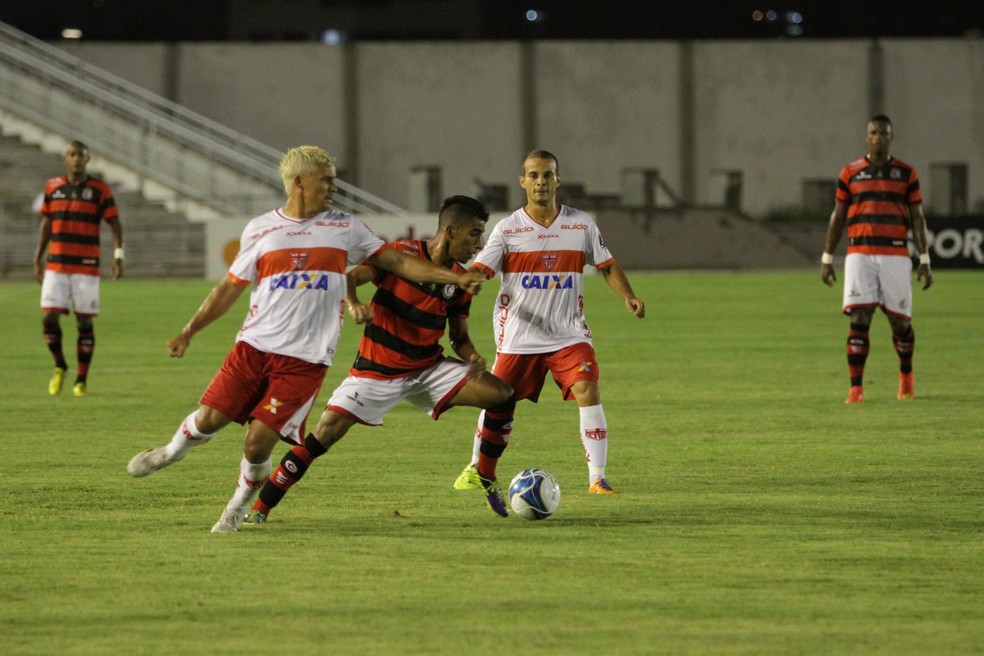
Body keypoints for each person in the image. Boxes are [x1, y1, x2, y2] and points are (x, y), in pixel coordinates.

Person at [126, 146, 484, 533]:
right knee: (209, 421)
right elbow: (229, 288)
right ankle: (170, 452)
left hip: (305, 360)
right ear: (299, 181)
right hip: (253, 347)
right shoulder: (261, 229)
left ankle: (236, 506)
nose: (334, 186)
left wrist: (455, 278)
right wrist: (189, 330)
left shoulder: (346, 227)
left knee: (256, 445)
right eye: (326, 179)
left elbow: (398, 263)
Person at [242, 195, 516, 525]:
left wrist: (473, 358)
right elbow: (349, 278)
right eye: (474, 233)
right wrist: (354, 303)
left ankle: (483, 474)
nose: (479, 243)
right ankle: (260, 508)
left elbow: (458, 338)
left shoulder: (461, 280)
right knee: (322, 436)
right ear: (450, 230)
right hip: (376, 372)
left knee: (501, 395)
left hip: (427, 368)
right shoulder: (401, 255)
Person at [453, 149, 646, 499]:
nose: (541, 182)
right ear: (523, 181)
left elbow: (606, 265)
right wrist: (461, 284)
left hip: (568, 333)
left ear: (558, 180)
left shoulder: (581, 224)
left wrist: (627, 295)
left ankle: (598, 478)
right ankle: (477, 467)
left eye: (547, 175)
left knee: (587, 389)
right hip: (519, 337)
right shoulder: (508, 229)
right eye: (534, 175)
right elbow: (480, 270)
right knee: (499, 402)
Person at [821, 115, 933, 404]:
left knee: (900, 323)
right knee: (860, 317)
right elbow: (838, 216)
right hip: (860, 253)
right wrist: (827, 256)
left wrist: (924, 257)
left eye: (884, 133)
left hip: (895, 254)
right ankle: (856, 388)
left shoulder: (906, 174)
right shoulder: (851, 173)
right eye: (874, 132)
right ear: (866, 136)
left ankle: (906, 374)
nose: (879, 137)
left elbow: (917, 218)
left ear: (891, 137)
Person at [34, 140, 124, 397]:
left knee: (83, 320)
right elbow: (46, 224)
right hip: (57, 264)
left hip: (86, 266)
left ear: (87, 159)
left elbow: (115, 224)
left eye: (80, 155)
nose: (76, 159)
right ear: (65, 158)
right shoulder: (53, 187)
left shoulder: (99, 190)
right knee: (48, 317)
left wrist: (118, 256)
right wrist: (37, 257)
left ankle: (81, 379)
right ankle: (60, 366)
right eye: (72, 154)